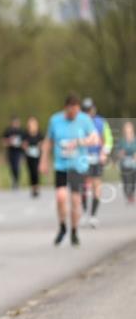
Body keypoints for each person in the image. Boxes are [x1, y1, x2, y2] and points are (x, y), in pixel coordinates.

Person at [40, 93, 99, 247]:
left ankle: (74, 231)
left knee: (75, 200)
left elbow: (95, 139)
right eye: (71, 112)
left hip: (77, 166)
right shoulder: (55, 120)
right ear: (66, 108)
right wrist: (44, 160)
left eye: (76, 112)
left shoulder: (84, 120)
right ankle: (62, 227)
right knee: (60, 197)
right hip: (61, 165)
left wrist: (79, 142)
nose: (74, 115)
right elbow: (48, 141)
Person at [80, 98, 113, 227]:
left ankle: (93, 215)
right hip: (83, 158)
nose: (88, 113)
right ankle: (83, 212)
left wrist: (104, 152)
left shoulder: (101, 122)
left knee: (97, 186)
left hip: (97, 157)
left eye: (90, 110)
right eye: (85, 110)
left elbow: (108, 139)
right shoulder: (79, 122)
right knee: (83, 186)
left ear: (94, 109)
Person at [114, 120, 136, 204]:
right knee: (126, 181)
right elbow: (117, 151)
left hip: (134, 164)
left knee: (133, 180)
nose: (128, 131)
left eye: (129, 129)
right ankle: (128, 195)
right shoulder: (121, 141)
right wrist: (121, 153)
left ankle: (131, 194)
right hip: (124, 164)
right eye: (126, 129)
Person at [23, 116, 44, 198]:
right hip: (29, 156)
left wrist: (40, 145)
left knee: (36, 171)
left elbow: (43, 142)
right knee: (31, 172)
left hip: (37, 155)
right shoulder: (26, 134)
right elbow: (23, 143)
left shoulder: (39, 134)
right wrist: (25, 146)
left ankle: (37, 187)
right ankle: (33, 188)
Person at [2, 116, 25, 190]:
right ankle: (13, 179)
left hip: (18, 152)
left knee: (17, 166)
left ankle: (16, 181)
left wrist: (21, 144)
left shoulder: (21, 131)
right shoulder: (8, 131)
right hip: (11, 151)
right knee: (12, 167)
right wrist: (9, 142)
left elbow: (25, 142)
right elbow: (3, 141)